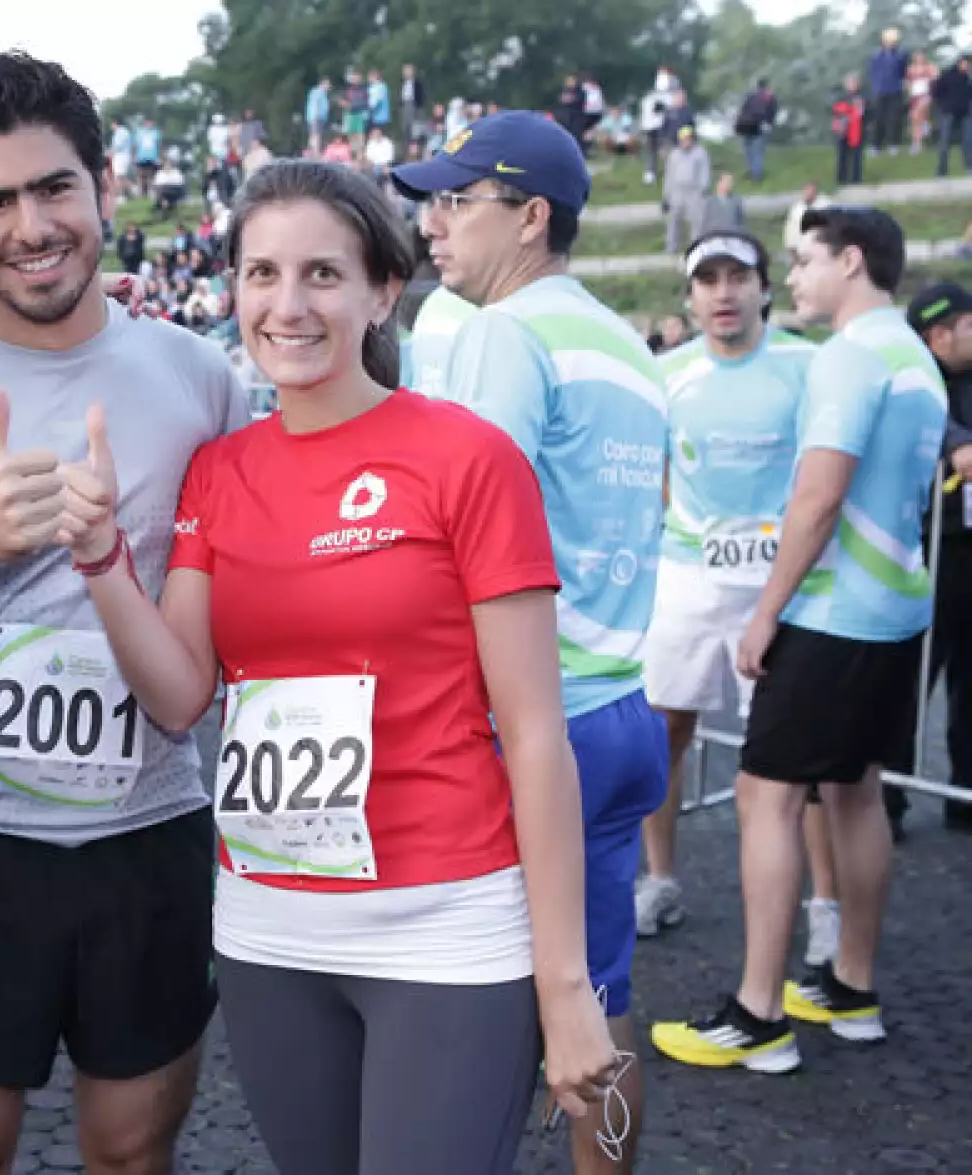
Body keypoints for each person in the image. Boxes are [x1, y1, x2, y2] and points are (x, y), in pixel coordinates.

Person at [54, 156, 619, 1174]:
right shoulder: (218, 472)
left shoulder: (464, 457)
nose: (287, 304)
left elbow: (534, 731)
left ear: (381, 290)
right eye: (260, 274)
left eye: (321, 273)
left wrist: (565, 980)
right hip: (273, 926)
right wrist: (100, 563)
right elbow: (181, 695)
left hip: (445, 923)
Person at [0, 52, 250, 1175]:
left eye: (54, 187)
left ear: (103, 186)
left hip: (152, 825)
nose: (33, 225)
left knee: (133, 1151)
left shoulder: (201, 377)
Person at [394, 111, 669, 1175]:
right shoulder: (629, 349)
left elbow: (457, 533)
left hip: (524, 729)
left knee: (471, 1015)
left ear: (532, 217)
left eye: (460, 202)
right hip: (618, 710)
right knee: (598, 1002)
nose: (434, 225)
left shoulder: (506, 335)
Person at [651, 207, 946, 1074]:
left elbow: (816, 499)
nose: (798, 277)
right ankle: (847, 986)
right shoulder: (911, 354)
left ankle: (757, 1013)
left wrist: (767, 610)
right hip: (895, 610)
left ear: (850, 261)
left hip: (830, 615)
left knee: (764, 798)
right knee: (854, 789)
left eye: (805, 261)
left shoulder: (850, 359)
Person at [634, 231, 841, 970]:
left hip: (782, 586)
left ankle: (826, 905)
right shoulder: (666, 373)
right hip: (689, 580)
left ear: (764, 287)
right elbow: (654, 467)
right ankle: (659, 879)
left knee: (795, 757)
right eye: (707, 280)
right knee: (663, 731)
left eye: (737, 277)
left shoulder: (806, 365)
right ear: (689, 297)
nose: (722, 293)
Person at [898, 281, 972, 833]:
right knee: (909, 679)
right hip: (925, 549)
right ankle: (887, 798)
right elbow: (925, 417)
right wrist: (955, 445)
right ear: (939, 335)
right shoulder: (913, 379)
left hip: (969, 549)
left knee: (970, 681)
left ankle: (963, 794)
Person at [663, 127, 710, 254]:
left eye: (688, 139)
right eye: (683, 139)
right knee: (673, 221)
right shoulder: (674, 154)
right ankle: (671, 248)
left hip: (694, 191)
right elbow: (669, 175)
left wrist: (703, 188)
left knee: (697, 222)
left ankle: (696, 249)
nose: (686, 141)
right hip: (676, 192)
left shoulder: (700, 153)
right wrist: (666, 196)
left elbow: (704, 172)